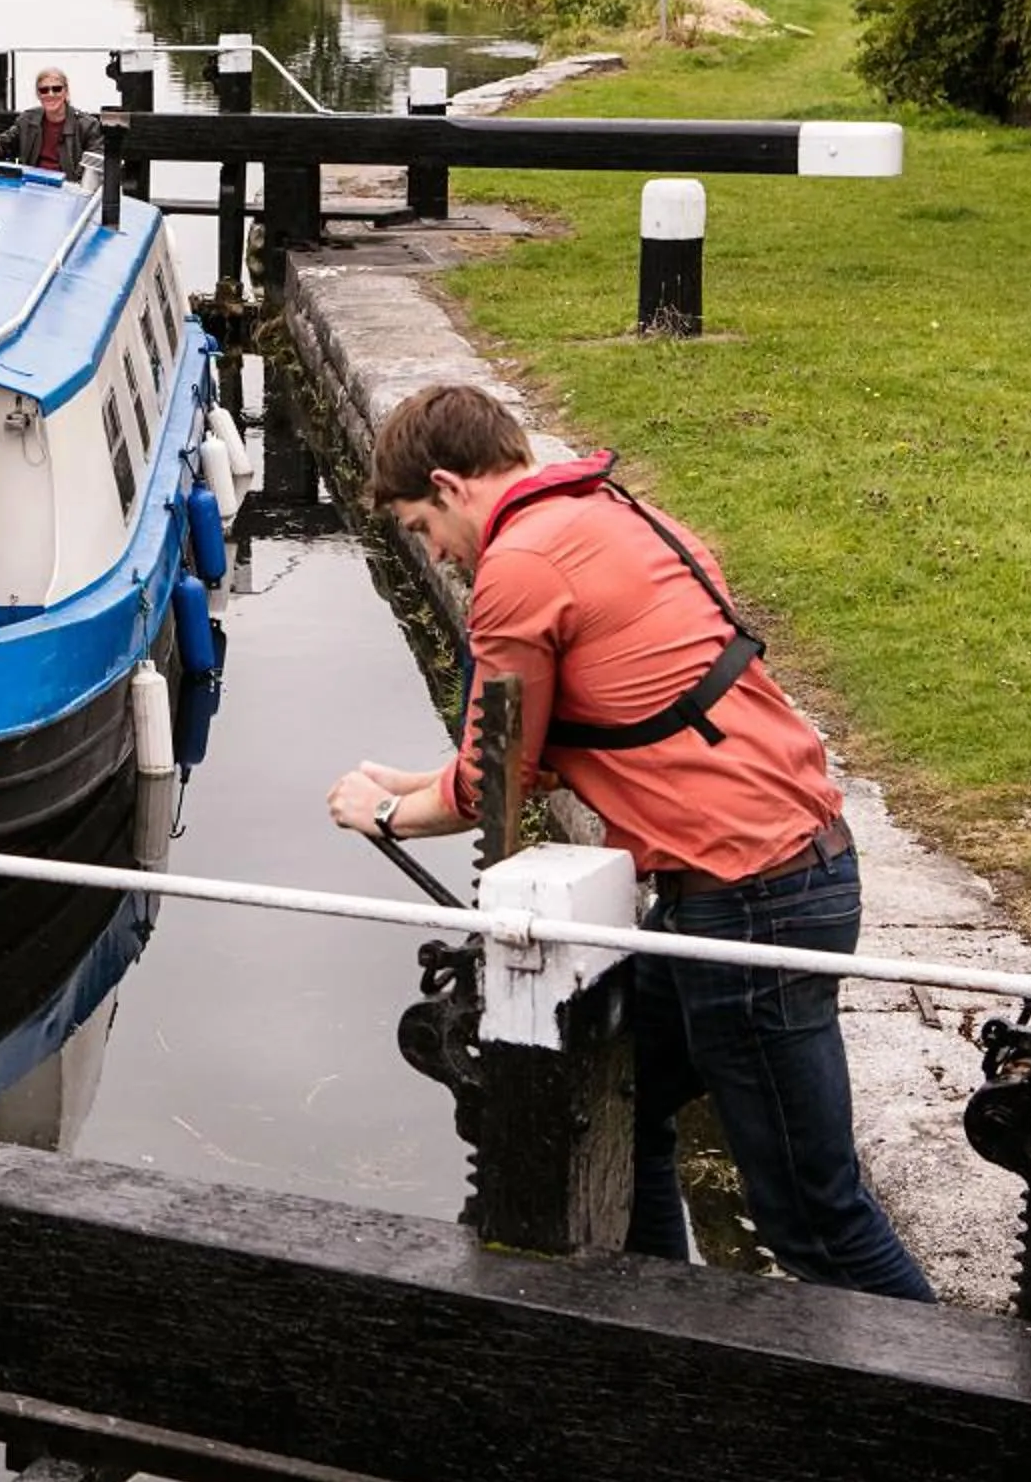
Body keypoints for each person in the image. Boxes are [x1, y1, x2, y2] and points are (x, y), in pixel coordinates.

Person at [324, 383, 933, 1303]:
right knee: (621, 1097)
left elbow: (494, 791)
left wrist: (380, 814)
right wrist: (417, 783)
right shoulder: (615, 513)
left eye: (420, 527)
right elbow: (617, 723)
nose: (436, 553)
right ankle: (654, 1324)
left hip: (748, 902)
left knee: (816, 1218)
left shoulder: (516, 571)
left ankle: (960, 1430)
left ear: (448, 486)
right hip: (777, 876)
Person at [0, 65, 104, 176]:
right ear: (38, 94)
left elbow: (95, 166)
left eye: (56, 89)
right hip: (33, 187)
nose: (50, 94)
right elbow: (5, 142)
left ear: (66, 91)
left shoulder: (88, 125)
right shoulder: (26, 120)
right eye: (44, 90)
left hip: (68, 192)